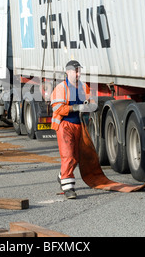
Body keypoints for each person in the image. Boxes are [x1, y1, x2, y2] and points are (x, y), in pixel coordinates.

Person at [50, 60, 97, 199]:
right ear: (68, 72)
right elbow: (57, 108)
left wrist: (92, 105)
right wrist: (76, 108)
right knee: (68, 156)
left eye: (79, 71)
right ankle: (68, 188)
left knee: (75, 157)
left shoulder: (83, 87)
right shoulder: (60, 88)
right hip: (64, 125)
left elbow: (91, 101)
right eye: (76, 71)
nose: (78, 74)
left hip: (78, 125)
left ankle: (62, 175)